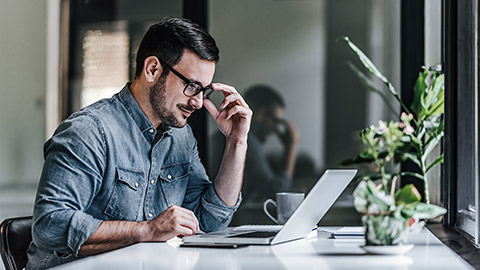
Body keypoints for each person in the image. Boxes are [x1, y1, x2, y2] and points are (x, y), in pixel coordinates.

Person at [26, 18, 252, 269]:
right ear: (152, 69)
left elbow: (209, 222)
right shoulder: (88, 131)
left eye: (203, 90)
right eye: (191, 86)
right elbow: (50, 225)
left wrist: (236, 142)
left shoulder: (181, 137)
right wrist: (148, 230)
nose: (198, 102)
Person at [242, 85, 299, 204]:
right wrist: (291, 146)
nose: (275, 129)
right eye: (276, 121)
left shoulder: (239, 139)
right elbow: (278, 191)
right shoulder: (248, 144)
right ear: (261, 115)